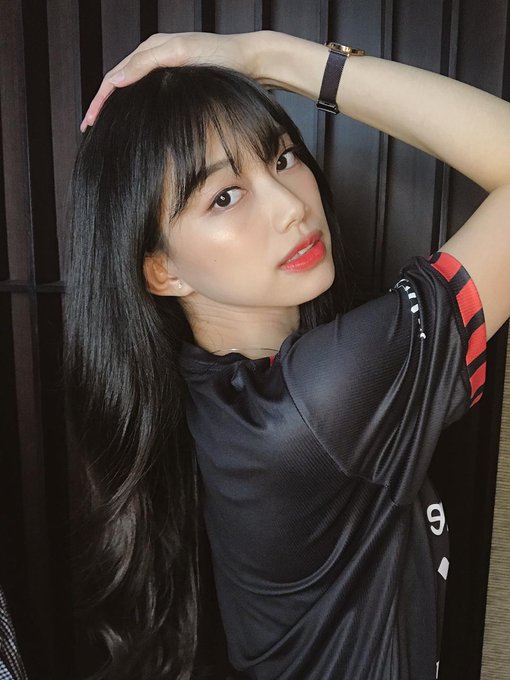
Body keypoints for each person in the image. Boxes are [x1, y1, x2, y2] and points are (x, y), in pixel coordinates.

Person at [67, 30, 510, 680]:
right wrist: (268, 56)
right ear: (162, 272)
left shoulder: (210, 382)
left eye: (281, 158)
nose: (291, 206)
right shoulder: (318, 397)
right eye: (224, 197)